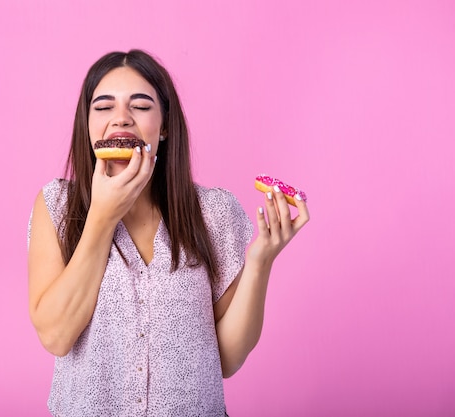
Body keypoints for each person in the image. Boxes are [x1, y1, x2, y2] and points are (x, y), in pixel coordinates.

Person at [27, 49, 309, 416]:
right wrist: (102, 217)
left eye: (141, 106)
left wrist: (260, 261)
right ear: (88, 124)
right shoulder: (57, 206)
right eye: (104, 107)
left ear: (164, 127)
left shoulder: (215, 213)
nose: (121, 119)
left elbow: (226, 359)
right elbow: (56, 336)